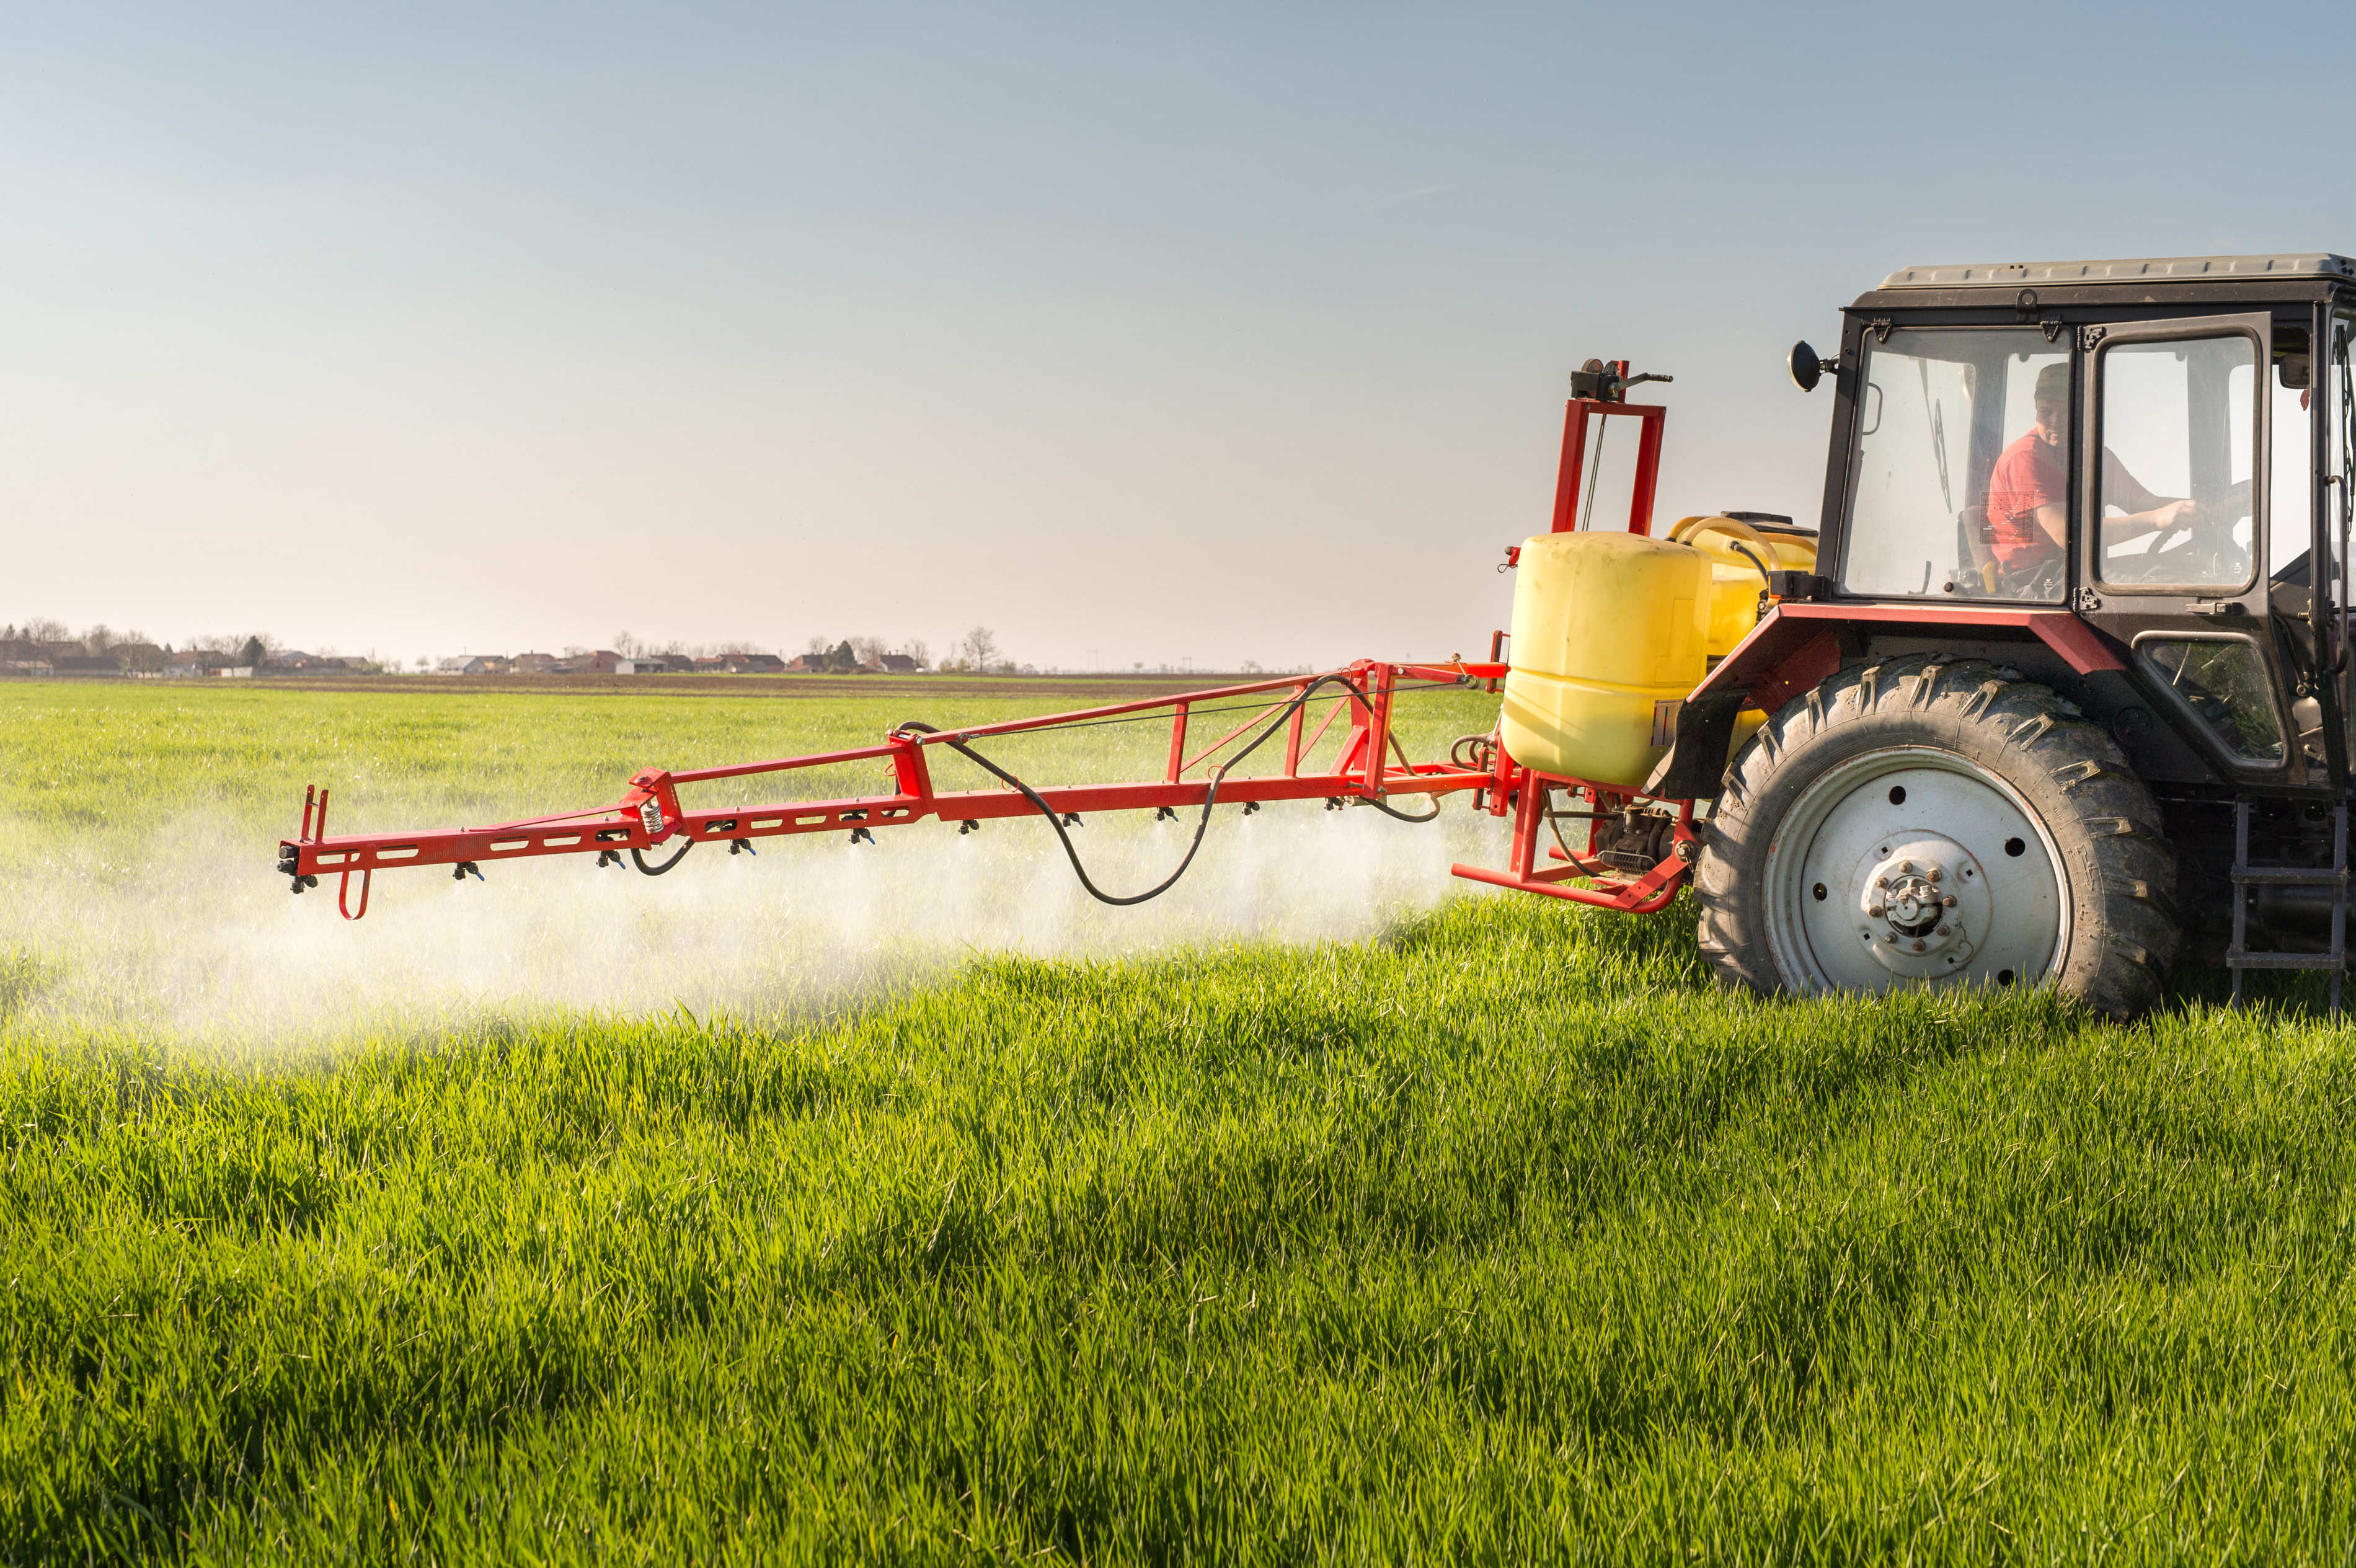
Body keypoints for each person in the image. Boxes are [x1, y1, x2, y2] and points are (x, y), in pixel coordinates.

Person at [1983, 361, 2200, 580]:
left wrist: (2203, 509)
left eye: (2066, 410)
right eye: (2046, 411)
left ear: (2084, 407)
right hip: (2033, 582)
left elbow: (2145, 503)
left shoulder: (2094, 456)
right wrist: (2156, 519)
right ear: (2037, 410)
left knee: (2183, 574)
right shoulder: (2024, 457)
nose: (2056, 421)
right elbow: (2066, 534)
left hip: (2076, 571)